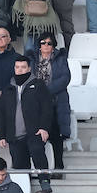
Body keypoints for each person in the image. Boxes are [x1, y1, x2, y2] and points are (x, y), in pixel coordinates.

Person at [0, 57, 53, 183]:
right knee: (19, 166)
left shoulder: (38, 85)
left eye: (23, 67)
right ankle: (24, 189)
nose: (20, 70)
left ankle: (44, 183)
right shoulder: (8, 88)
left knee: (38, 156)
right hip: (15, 136)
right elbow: (1, 114)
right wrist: (1, 136)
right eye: (17, 67)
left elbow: (47, 108)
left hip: (34, 132)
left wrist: (44, 128)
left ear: (29, 68)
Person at [26, 34, 71, 175]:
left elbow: (65, 78)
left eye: (49, 43)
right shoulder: (31, 59)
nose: (46, 45)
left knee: (56, 136)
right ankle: (40, 170)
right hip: (36, 103)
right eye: (43, 43)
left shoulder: (61, 59)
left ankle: (58, 167)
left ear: (53, 46)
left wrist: (45, 91)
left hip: (55, 102)